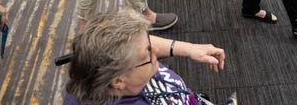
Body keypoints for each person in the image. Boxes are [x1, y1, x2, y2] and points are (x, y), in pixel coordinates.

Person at [63, 10, 224, 105]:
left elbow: (137, 44)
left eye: (148, 40)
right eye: (148, 53)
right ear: (118, 81)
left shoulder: (120, 70)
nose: (155, 50)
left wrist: (188, 49)